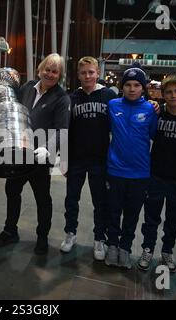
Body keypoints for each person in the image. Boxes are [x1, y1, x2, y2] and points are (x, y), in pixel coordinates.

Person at [0, 53, 71, 255]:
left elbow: (63, 130)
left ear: (59, 75)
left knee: (42, 199)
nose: (50, 74)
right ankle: (10, 231)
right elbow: (8, 102)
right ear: (40, 69)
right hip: (17, 152)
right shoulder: (27, 87)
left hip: (40, 158)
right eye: (47, 69)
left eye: (55, 71)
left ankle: (42, 237)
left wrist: (48, 149)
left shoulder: (61, 98)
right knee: (12, 192)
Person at [136, 75, 176, 273]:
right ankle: (147, 248)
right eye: (169, 92)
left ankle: (167, 250)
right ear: (163, 94)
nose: (173, 95)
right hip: (156, 176)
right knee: (151, 218)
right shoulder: (158, 112)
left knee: (174, 219)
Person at [61, 56, 117, 260]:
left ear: (98, 73)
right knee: (71, 199)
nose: (87, 76)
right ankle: (70, 233)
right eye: (83, 73)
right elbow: (66, 130)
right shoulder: (71, 97)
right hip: (76, 158)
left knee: (100, 202)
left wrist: (154, 104)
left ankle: (99, 238)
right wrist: (64, 159)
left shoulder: (109, 95)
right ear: (78, 75)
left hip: (100, 159)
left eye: (91, 72)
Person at [104, 62, 158, 269]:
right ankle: (112, 246)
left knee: (132, 214)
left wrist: (157, 107)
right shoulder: (113, 105)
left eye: (137, 85)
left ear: (143, 88)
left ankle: (125, 248)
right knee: (113, 212)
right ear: (122, 86)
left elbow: (155, 135)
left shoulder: (151, 109)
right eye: (128, 85)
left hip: (140, 173)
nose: (132, 89)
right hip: (115, 170)